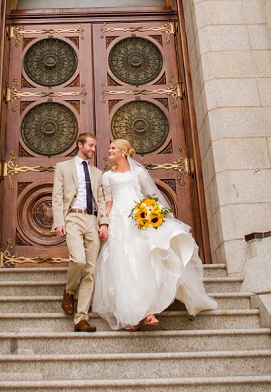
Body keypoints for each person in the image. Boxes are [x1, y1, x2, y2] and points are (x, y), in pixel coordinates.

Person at [91, 138, 217, 330]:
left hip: (140, 218)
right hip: (119, 221)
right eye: (109, 148)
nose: (109, 151)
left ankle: (149, 311)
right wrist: (106, 224)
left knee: (146, 261)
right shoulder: (107, 176)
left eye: (113, 148)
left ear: (124, 151)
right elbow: (108, 202)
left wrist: (154, 213)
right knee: (124, 265)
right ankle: (131, 316)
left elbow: (151, 195)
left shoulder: (138, 172)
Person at [52, 132, 108, 332]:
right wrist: (59, 221)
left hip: (92, 219)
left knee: (90, 271)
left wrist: (104, 223)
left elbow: (100, 199)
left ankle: (81, 318)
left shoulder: (97, 173)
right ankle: (70, 291)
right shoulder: (63, 167)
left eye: (94, 146)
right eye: (91, 146)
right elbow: (57, 196)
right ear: (80, 145)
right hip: (73, 217)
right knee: (79, 261)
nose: (93, 150)